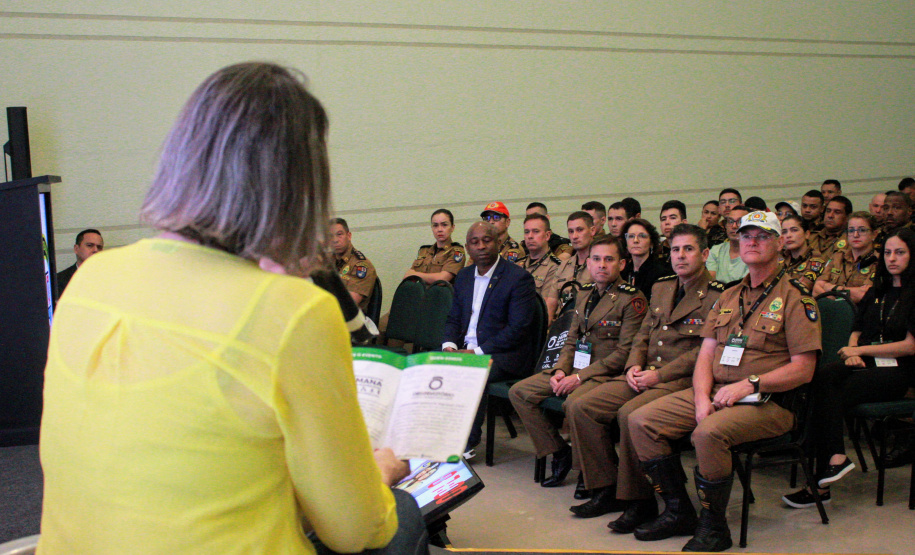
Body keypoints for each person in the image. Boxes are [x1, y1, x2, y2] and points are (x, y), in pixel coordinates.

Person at [38, 62, 427, 555]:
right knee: (403, 516)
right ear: (302, 185)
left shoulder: (91, 278)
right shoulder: (296, 312)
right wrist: (379, 473)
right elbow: (354, 529)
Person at [628, 210, 821, 552]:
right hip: (717, 392)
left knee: (708, 432)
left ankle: (714, 525)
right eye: (746, 235)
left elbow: (803, 369)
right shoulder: (730, 296)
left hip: (770, 402)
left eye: (761, 236)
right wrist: (701, 398)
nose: (752, 242)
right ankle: (678, 511)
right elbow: (706, 354)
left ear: (778, 243)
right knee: (641, 420)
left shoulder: (795, 298)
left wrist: (751, 384)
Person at [565, 224, 724, 522]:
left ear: (704, 254)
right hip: (645, 373)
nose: (680, 256)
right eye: (675, 249)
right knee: (580, 406)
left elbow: (706, 351)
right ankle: (604, 487)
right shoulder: (663, 287)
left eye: (688, 249)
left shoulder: (718, 295)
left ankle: (638, 499)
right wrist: (634, 365)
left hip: (678, 380)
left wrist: (658, 376)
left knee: (628, 414)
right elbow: (644, 334)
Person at [782, 227, 915, 509]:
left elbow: (909, 346)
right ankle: (832, 463)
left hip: (898, 372)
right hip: (864, 362)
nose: (892, 258)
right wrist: (851, 351)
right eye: (888, 252)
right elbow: (857, 326)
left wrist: (860, 351)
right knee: (821, 378)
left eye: (900, 252)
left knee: (826, 396)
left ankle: (823, 475)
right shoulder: (878, 289)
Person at [509, 235, 646, 488]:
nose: (601, 265)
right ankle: (560, 452)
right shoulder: (584, 293)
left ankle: (587, 471)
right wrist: (561, 369)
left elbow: (624, 353)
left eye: (608, 259)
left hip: (604, 374)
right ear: (589, 264)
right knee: (519, 392)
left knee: (574, 403)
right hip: (574, 367)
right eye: (596, 259)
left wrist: (579, 377)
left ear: (622, 264)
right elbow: (571, 340)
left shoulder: (631, 299)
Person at [442, 221, 538, 455]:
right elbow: (454, 319)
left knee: (471, 371)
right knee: (429, 367)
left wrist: (476, 352)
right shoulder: (464, 277)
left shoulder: (518, 278)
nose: (481, 246)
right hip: (467, 351)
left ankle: (465, 443)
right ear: (467, 248)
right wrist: (449, 345)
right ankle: (438, 436)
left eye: (487, 240)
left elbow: (519, 329)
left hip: (505, 355)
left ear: (498, 243)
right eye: (475, 242)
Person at [812, 211, 879, 304]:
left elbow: (864, 295)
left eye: (862, 230)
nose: (855, 235)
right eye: (851, 230)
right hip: (832, 311)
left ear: (874, 234)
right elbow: (816, 288)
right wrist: (843, 296)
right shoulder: (837, 256)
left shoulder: (878, 261)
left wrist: (831, 288)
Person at [545, 211, 595, 317]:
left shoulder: (600, 264)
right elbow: (551, 303)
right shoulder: (563, 266)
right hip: (562, 326)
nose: (574, 236)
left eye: (579, 230)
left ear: (592, 231)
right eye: (571, 231)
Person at [518, 213, 562, 320]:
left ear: (547, 235)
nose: (530, 236)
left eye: (536, 231)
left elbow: (546, 312)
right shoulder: (517, 265)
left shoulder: (556, 267)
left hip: (536, 326)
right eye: (526, 232)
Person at [404, 209, 465, 284]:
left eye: (444, 225)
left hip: (442, 294)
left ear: (452, 227)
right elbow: (408, 276)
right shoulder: (424, 251)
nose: (439, 229)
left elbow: (443, 278)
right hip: (421, 294)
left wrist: (415, 274)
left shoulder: (456, 252)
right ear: (432, 228)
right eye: (435, 225)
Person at [331, 217, 378, 312]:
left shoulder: (360, 265)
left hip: (352, 321)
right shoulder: (327, 261)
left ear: (349, 236)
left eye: (339, 234)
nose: (335, 240)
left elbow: (348, 305)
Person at [620, 218, 672, 300]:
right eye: (631, 236)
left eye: (642, 236)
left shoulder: (661, 273)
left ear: (651, 242)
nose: (635, 240)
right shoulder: (622, 272)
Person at [780, 215, 828, 290]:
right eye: (784, 232)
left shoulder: (815, 260)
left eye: (794, 230)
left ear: (807, 234)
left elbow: (801, 288)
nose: (788, 235)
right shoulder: (779, 257)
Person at [705, 205, 750, 284]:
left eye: (740, 222)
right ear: (725, 225)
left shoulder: (754, 254)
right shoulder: (716, 251)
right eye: (730, 221)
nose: (734, 226)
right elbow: (711, 281)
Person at [56, 228, 104, 294]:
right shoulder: (58, 281)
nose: (95, 250)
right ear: (76, 249)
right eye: (90, 245)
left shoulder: (112, 278)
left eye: (99, 247)